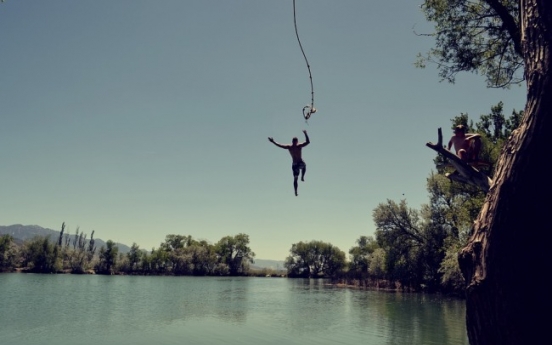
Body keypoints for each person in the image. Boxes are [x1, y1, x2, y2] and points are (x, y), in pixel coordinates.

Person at [268, 130, 310, 196]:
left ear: (297, 142)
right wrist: (273, 142)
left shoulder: (299, 146)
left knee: (304, 165)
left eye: (295, 142)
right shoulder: (289, 147)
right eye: (293, 142)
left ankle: (302, 177)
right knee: (295, 178)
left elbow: (308, 142)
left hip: (300, 162)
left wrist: (305, 134)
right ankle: (295, 191)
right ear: (292, 142)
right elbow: (281, 145)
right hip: (295, 164)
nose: (294, 143)